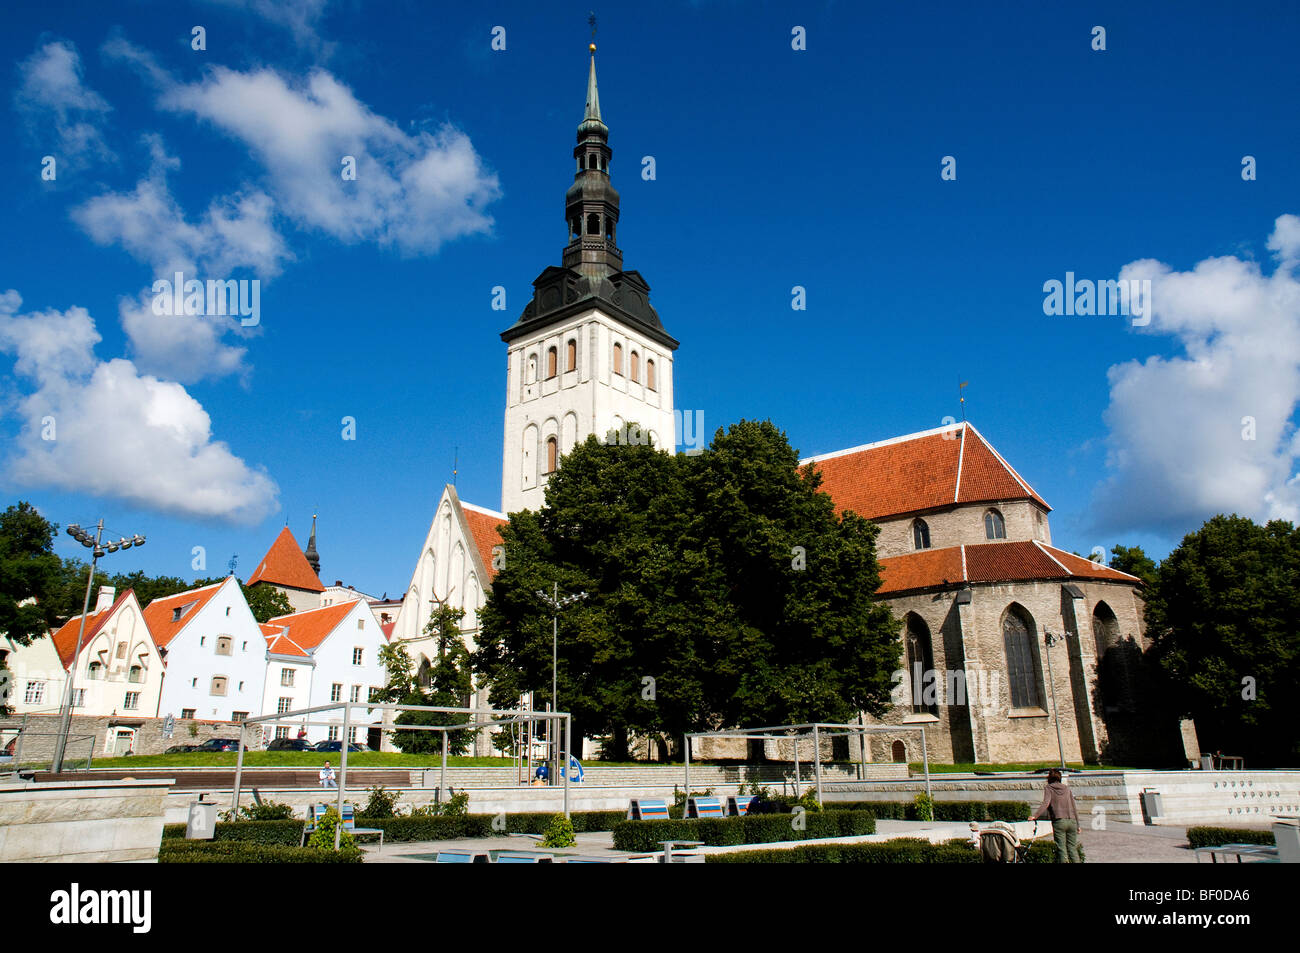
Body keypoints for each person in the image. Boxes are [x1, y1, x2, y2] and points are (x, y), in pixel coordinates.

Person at [1030, 769, 1080, 862]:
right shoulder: (1067, 788)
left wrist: (1035, 816)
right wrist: (1078, 825)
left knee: (1062, 849)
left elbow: (1046, 803)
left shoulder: (1049, 788)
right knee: (1072, 849)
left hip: (1059, 821)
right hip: (1072, 821)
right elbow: (1073, 807)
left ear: (1049, 778)